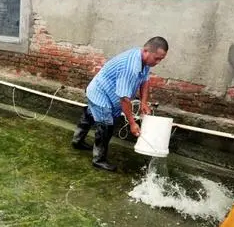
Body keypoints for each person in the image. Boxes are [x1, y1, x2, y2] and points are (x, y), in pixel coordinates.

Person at [71, 37, 168, 172]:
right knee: (106, 126)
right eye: (156, 58)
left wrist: (144, 102)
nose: (157, 62)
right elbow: (124, 99)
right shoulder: (130, 67)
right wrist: (133, 123)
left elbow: (145, 81)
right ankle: (99, 159)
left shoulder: (144, 61)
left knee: (91, 113)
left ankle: (77, 141)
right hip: (100, 93)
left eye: (161, 60)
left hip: (108, 92)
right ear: (146, 50)